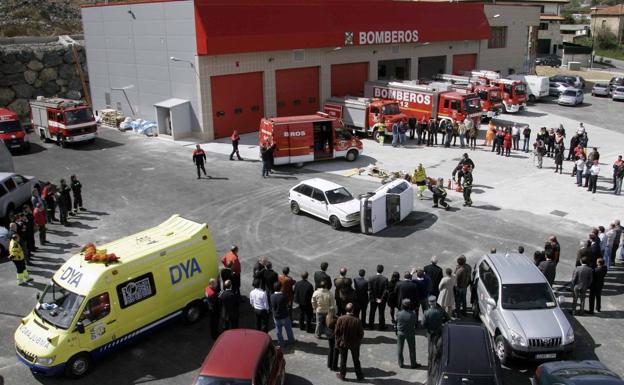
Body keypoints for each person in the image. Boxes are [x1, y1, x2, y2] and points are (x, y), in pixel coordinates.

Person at [334, 303, 364, 381]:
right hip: (354, 344)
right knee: (356, 360)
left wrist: (338, 342)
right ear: (353, 310)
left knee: (343, 360)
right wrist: (358, 342)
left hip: (343, 343)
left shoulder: (340, 319)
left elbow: (337, 332)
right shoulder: (357, 320)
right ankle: (359, 375)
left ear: (346, 310)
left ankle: (342, 375)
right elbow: (361, 334)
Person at [423, 296, 450, 370]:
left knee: (430, 347)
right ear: (435, 302)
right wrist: (442, 322)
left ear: (429, 303)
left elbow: (423, 324)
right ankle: (438, 361)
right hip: (439, 331)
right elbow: (448, 318)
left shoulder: (426, 312)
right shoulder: (441, 310)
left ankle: (430, 363)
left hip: (430, 332)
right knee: (439, 346)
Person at [396, 299, 419, 369]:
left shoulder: (398, 313)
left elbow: (397, 320)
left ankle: (400, 363)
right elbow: (415, 322)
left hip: (400, 333)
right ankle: (413, 363)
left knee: (400, 348)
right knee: (412, 349)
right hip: (410, 333)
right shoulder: (413, 314)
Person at [271, 282, 296, 347]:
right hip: (285, 316)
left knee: (278, 331)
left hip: (276, 316)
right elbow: (288, 304)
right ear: (281, 288)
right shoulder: (284, 296)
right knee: (288, 329)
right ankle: (291, 341)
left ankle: (281, 343)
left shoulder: (272, 296)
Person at [368, 264, 388, 330]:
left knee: (372, 312)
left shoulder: (371, 278)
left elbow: (370, 290)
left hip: (373, 299)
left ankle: (371, 325)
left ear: (376, 269)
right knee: (381, 312)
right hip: (381, 300)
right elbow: (385, 291)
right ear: (382, 270)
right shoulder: (385, 279)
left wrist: (375, 298)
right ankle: (381, 326)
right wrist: (380, 299)